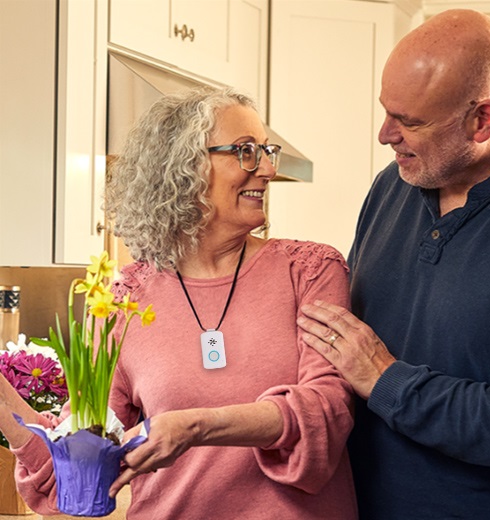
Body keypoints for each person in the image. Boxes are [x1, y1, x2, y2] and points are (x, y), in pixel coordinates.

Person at [1, 87, 358, 519]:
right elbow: (78, 468)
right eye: (245, 151)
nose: (266, 168)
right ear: (182, 168)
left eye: (266, 151)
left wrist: (196, 426)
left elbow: (328, 411)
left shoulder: (310, 270)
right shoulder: (125, 300)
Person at [297, 9, 490, 520]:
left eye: (409, 121)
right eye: (387, 111)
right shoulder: (394, 185)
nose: (385, 135)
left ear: (484, 120)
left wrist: (388, 381)